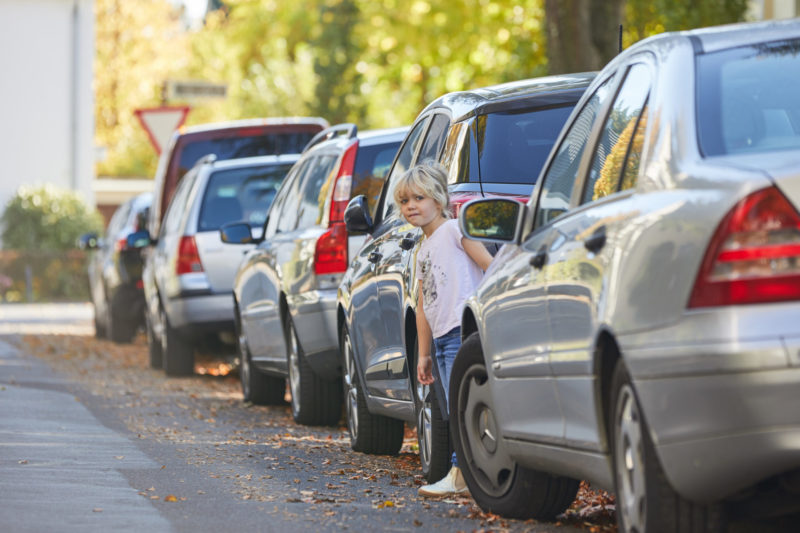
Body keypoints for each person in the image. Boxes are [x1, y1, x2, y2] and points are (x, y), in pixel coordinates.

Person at [393, 162, 493, 497]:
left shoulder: (454, 231)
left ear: (438, 198)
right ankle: (465, 473)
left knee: (463, 409)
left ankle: (462, 475)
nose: (411, 206)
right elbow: (422, 305)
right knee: (455, 410)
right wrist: (423, 353)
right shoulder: (423, 248)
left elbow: (488, 266)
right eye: (405, 201)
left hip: (462, 332)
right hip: (441, 339)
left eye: (419, 198)